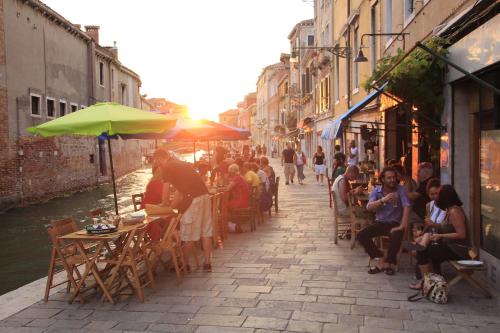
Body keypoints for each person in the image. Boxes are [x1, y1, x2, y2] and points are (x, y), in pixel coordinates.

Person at [157, 149, 213, 272]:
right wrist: (171, 207)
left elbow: (165, 193)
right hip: (205, 196)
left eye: (157, 162)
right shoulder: (180, 163)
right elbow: (179, 191)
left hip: (194, 200)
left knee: (188, 234)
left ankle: (184, 264)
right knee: (206, 231)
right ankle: (207, 263)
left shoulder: (167, 167)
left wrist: (165, 205)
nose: (158, 165)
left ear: (160, 159)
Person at [410, 185, 469, 289]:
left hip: (458, 249)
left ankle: (425, 282)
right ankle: (432, 278)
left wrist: (441, 235)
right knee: (427, 247)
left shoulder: (455, 212)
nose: (437, 198)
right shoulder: (449, 210)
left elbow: (461, 234)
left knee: (423, 251)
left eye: (439, 195)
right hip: (450, 245)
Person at [357, 167, 411, 275]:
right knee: (361, 235)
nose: (392, 180)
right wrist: (383, 200)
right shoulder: (376, 191)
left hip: (395, 223)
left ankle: (389, 263)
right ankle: (379, 256)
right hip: (380, 222)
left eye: (394, 177)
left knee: (396, 235)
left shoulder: (400, 189)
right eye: (389, 178)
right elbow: (369, 207)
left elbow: (407, 206)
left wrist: (403, 225)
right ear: (383, 179)